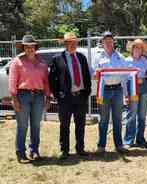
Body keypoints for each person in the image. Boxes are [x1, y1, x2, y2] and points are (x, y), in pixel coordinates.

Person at [48, 32, 92, 159]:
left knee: (80, 124)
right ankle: (65, 150)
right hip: (65, 98)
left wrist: (86, 92)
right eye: (70, 42)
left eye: (75, 42)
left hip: (81, 96)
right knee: (64, 125)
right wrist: (58, 95)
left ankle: (80, 148)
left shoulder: (81, 57)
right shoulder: (57, 59)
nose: (73, 45)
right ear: (65, 44)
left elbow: (87, 76)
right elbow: (52, 79)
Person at [9, 35, 51, 163]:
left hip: (38, 96)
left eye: (31, 46)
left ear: (35, 48)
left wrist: (48, 97)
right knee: (22, 125)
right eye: (27, 47)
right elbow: (12, 81)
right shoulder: (17, 61)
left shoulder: (42, 63)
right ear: (23, 48)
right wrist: (14, 98)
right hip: (22, 96)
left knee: (36, 125)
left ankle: (34, 151)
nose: (29, 49)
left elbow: (46, 82)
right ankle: (21, 152)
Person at [93, 31, 128, 153]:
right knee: (103, 119)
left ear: (113, 42)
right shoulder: (97, 57)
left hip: (118, 90)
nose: (108, 42)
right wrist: (95, 73)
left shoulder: (120, 56)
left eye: (110, 40)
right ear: (102, 42)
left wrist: (127, 93)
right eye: (105, 40)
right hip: (104, 90)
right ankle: (101, 146)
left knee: (118, 118)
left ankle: (119, 145)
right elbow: (93, 75)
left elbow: (125, 75)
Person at [124, 39, 147, 147]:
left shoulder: (145, 60)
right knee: (132, 114)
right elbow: (124, 78)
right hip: (132, 88)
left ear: (142, 50)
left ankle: (140, 139)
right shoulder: (126, 61)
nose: (138, 49)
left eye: (140, 48)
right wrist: (125, 94)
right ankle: (129, 140)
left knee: (142, 115)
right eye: (136, 47)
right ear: (132, 49)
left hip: (143, 87)